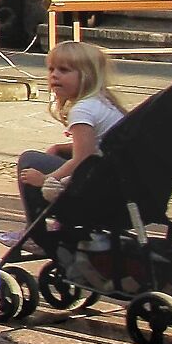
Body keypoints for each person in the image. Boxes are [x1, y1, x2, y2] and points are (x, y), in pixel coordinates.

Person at [14, 41, 125, 234]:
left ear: (86, 76)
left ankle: (36, 232)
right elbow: (95, 145)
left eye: (64, 70)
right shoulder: (102, 102)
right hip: (115, 181)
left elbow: (83, 158)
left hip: (98, 189)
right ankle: (59, 226)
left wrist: (46, 179)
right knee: (54, 156)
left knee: (29, 161)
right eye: (51, 69)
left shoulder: (82, 110)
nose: (54, 75)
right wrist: (61, 148)